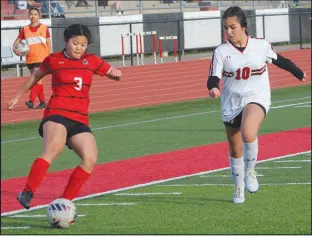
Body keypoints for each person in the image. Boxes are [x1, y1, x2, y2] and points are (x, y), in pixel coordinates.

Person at [7, 24, 123, 210]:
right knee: (53, 149)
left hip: (80, 118)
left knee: (90, 158)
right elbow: (35, 77)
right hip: (57, 113)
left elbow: (114, 73)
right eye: (75, 43)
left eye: (83, 45)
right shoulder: (54, 60)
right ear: (66, 41)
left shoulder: (91, 60)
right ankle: (27, 192)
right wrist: (17, 96)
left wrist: (116, 75)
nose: (79, 47)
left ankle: (65, 201)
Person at [207, 6, 306, 204]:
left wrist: (297, 72)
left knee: (248, 132)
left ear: (243, 26)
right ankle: (238, 187)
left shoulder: (260, 46)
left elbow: (280, 60)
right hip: (231, 103)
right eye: (226, 28)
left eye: (233, 27)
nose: (229, 32)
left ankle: (251, 171)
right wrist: (213, 88)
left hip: (256, 97)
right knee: (235, 149)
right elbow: (213, 76)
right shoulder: (221, 51)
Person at [13, 7, 51, 109]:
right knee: (36, 81)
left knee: (36, 80)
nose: (33, 16)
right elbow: (16, 41)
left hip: (42, 58)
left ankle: (31, 101)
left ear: (38, 15)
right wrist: (15, 49)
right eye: (31, 14)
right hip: (30, 58)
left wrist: (49, 56)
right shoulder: (24, 29)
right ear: (28, 16)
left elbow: (48, 43)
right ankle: (43, 102)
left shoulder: (44, 28)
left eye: (35, 14)